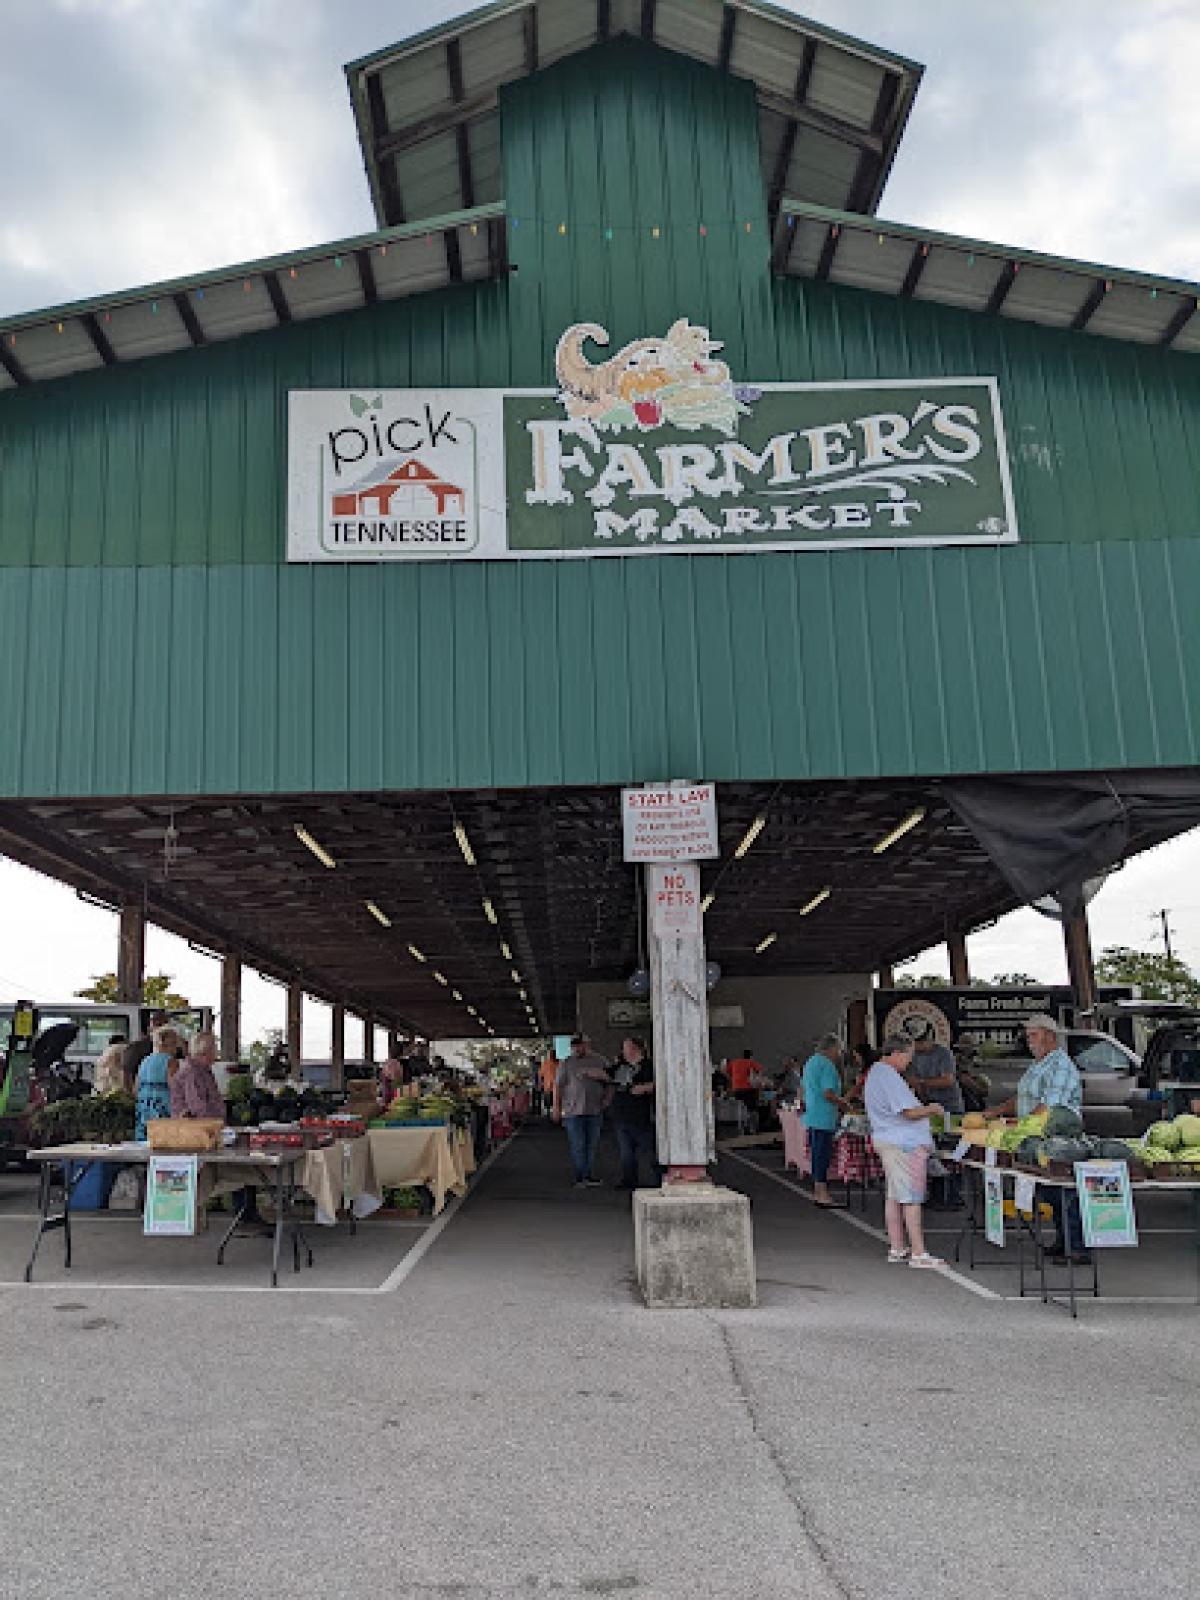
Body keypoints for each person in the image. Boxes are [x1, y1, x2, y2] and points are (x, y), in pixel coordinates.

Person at [984, 1013, 1086, 1265]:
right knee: (1049, 1191)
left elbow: (1048, 1107)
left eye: (1033, 1035)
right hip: (1036, 1137)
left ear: (1050, 1036)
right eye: (1028, 1035)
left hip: (1057, 1139)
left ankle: (1077, 1247)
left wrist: (1018, 1125)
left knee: (1064, 1190)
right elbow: (1022, 1097)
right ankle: (1064, 1241)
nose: (1029, 1041)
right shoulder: (1038, 1064)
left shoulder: (1060, 1065)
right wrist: (996, 1112)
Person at [864, 1033, 942, 1268]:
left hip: (889, 1140)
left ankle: (898, 1247)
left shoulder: (876, 1073)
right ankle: (918, 1252)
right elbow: (907, 1112)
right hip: (903, 1144)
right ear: (897, 1053)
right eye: (908, 1056)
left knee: (895, 1196)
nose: (910, 1061)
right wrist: (931, 1109)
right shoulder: (888, 1076)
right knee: (911, 1198)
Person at [908, 1028, 964, 1207]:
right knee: (931, 1151)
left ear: (929, 1040)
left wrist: (923, 1083)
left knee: (951, 1152)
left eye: (919, 1042)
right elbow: (914, 1081)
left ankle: (953, 1194)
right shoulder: (914, 1056)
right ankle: (936, 1193)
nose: (917, 1046)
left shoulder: (943, 1054)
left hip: (950, 1109)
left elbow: (948, 1080)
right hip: (929, 1110)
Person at [552, 1034, 611, 1188]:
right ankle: (580, 1176)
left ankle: (588, 1174)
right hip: (573, 1111)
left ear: (587, 1044)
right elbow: (558, 1086)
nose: (577, 1048)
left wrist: (607, 1098)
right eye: (574, 1046)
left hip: (594, 1109)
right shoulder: (566, 1063)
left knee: (591, 1145)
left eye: (580, 1045)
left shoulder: (600, 1061)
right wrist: (556, 1108)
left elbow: (612, 1081)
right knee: (578, 1144)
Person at [609, 1036, 660, 1191]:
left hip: (642, 1116)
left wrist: (645, 1088)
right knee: (626, 1152)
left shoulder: (649, 1066)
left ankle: (661, 1178)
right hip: (622, 1115)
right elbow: (607, 1075)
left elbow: (661, 1083)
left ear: (635, 1049)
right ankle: (629, 1180)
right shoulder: (620, 1066)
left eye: (626, 1047)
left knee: (650, 1150)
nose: (623, 1051)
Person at [801, 1035, 847, 1207]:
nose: (839, 1054)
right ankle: (822, 1194)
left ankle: (817, 1190)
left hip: (812, 1114)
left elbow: (803, 1088)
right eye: (839, 1050)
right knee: (822, 1156)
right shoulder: (827, 1066)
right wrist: (844, 1103)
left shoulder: (811, 1062)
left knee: (816, 1155)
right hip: (824, 1116)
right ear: (832, 1048)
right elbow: (828, 1093)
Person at [135, 1024, 182, 1140]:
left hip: (145, 1104)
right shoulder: (171, 1062)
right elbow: (175, 1088)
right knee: (164, 1140)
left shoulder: (144, 1060)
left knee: (145, 1139)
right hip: (162, 1104)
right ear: (171, 1044)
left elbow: (135, 1088)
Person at [170, 1029, 225, 1120]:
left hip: (204, 1126)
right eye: (215, 1048)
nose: (217, 1052)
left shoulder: (203, 1070)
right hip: (196, 1129)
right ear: (205, 1051)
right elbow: (197, 1108)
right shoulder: (192, 1072)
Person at [122, 1009, 168, 1095]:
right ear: (149, 1028)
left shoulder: (173, 1047)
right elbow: (126, 1075)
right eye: (158, 1025)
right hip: (144, 1095)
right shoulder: (136, 1047)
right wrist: (131, 1096)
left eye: (165, 1025)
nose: (162, 1028)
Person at [728, 1046, 764, 1124]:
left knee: (741, 1107)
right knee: (753, 1108)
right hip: (747, 1089)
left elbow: (728, 1072)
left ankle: (742, 1125)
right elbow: (759, 1072)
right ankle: (753, 1126)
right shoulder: (751, 1062)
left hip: (736, 1090)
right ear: (751, 1056)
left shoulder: (734, 1062)